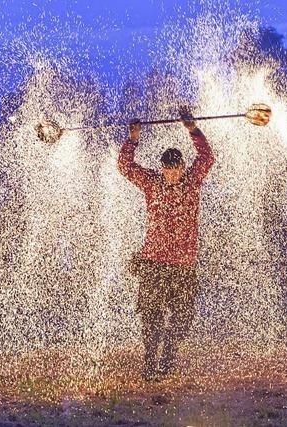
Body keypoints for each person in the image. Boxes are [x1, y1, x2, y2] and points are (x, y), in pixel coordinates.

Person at [118, 107, 215, 381]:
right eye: (168, 169)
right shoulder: (152, 183)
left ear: (183, 167)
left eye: (176, 169)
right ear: (162, 168)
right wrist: (133, 138)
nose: (172, 174)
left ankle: (169, 357)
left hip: (184, 266)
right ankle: (150, 364)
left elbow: (207, 157)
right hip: (153, 264)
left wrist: (193, 129)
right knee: (151, 317)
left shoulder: (192, 181)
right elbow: (125, 167)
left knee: (182, 319)